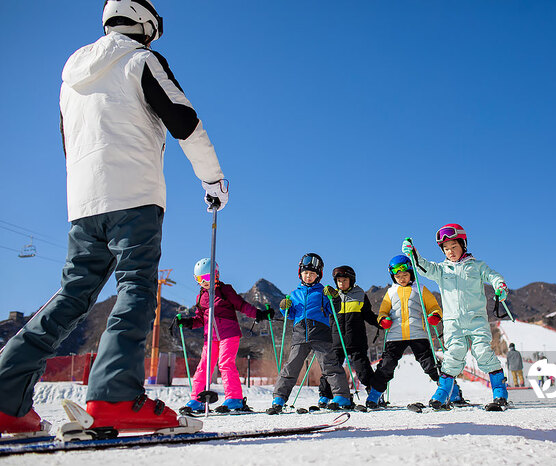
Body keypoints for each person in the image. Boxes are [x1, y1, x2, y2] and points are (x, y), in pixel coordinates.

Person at [0, 0, 229, 436]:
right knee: (136, 288)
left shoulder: (70, 79)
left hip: (83, 203)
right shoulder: (142, 60)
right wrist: (213, 180)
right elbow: (184, 121)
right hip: (135, 195)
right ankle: (114, 396)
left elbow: (68, 142)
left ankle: (4, 395)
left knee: (71, 296)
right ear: (144, 24)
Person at [402, 223, 510, 409]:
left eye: (454, 247)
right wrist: (413, 254)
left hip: (476, 320)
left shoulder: (476, 266)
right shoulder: (442, 270)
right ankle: (441, 395)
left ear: (463, 245)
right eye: (446, 249)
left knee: (483, 353)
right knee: (453, 357)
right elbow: (423, 267)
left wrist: (500, 286)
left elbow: (493, 276)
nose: (450, 252)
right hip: (453, 323)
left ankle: (500, 393)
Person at [175, 259, 273, 414]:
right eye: (201, 279)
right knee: (203, 367)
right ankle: (197, 399)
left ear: (217, 275)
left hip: (229, 334)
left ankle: (234, 398)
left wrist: (258, 314)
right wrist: (188, 322)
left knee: (225, 364)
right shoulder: (201, 297)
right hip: (210, 337)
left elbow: (242, 305)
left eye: (209, 277)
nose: (205, 282)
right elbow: (200, 319)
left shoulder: (225, 290)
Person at [267, 254, 352, 414]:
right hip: (300, 334)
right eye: (306, 273)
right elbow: (290, 315)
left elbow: (335, 308)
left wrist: (334, 297)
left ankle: (341, 396)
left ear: (318, 276)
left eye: (312, 274)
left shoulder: (323, 292)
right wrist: (284, 307)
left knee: (330, 364)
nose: (309, 276)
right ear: (300, 274)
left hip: (320, 333)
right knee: (291, 366)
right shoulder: (294, 294)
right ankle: (279, 398)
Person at [365, 255, 447, 409]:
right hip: (395, 336)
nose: (401, 279)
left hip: (418, 334)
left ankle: (451, 391)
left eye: (405, 275)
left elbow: (434, 307)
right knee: (386, 365)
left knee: (430, 364)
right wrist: (383, 319)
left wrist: (435, 315)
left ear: (411, 273)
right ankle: (375, 395)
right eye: (398, 276)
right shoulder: (391, 292)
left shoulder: (420, 288)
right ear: (393, 276)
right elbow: (383, 311)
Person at [317, 266, 382, 407]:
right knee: (331, 368)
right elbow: (324, 315)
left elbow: (368, 315)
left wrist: (380, 322)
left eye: (344, 280)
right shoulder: (332, 297)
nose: (341, 283)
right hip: (336, 340)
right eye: (339, 280)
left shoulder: (360, 295)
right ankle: (325, 395)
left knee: (362, 369)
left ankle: (374, 394)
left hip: (356, 340)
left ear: (351, 280)